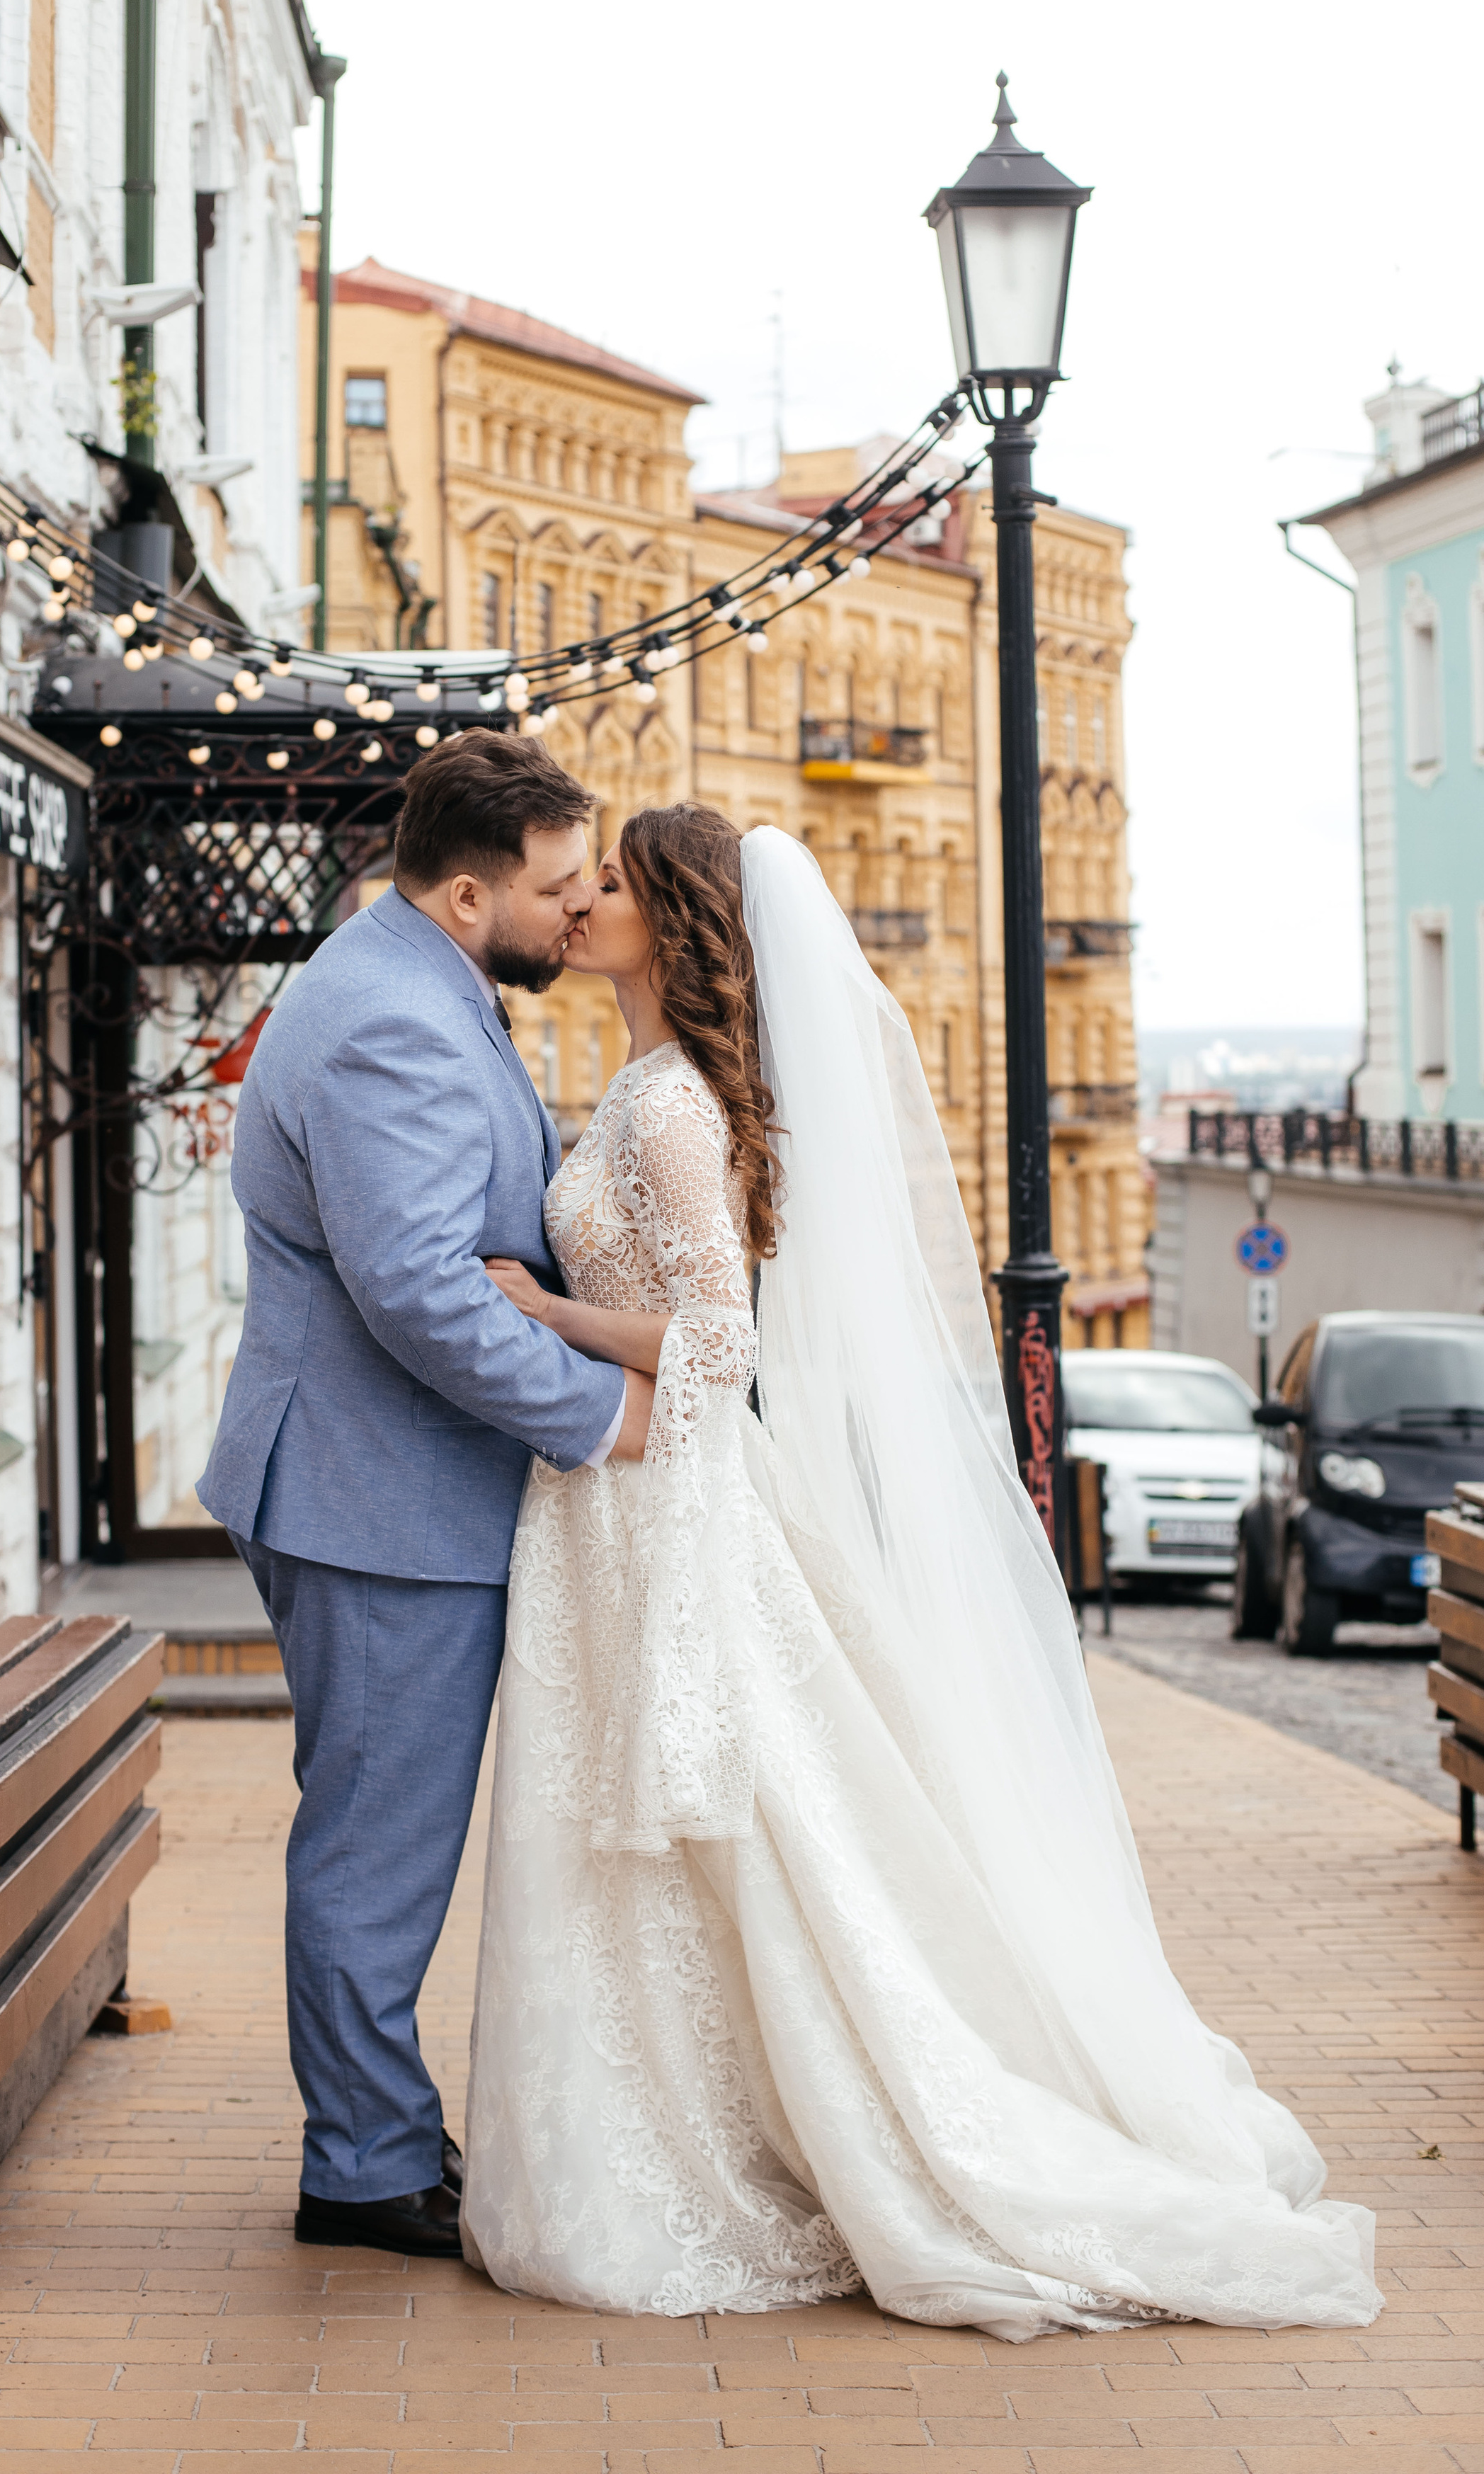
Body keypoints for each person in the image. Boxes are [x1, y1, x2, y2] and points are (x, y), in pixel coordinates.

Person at [465, 805, 1381, 2339]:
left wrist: (546, 1315)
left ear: (673, 922)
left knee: (747, 1832)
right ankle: (663, 2134)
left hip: (660, 1502)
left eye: (607, 882)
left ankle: (750, 2146)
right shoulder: (641, 1085)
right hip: (616, 1505)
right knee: (692, 1840)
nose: (579, 901)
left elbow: (720, 1342)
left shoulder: (672, 1106)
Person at [196, 731, 654, 2260]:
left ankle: (381, 2132)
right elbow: (417, 1289)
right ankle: (365, 2169)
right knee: (377, 1848)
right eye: (559, 884)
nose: (580, 905)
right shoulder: (392, 1019)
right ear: (468, 895)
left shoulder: (412, 979)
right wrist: (604, 1415)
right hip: (373, 1499)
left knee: (380, 1837)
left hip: (383, 1487)